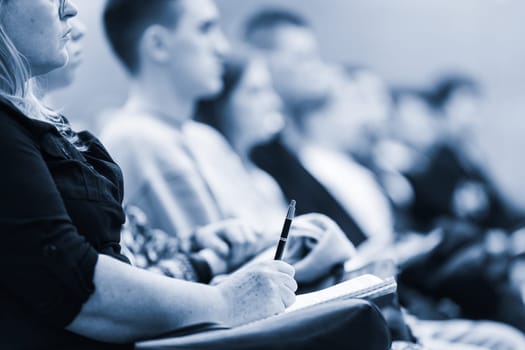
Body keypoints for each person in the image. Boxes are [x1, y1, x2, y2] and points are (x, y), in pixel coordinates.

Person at [0, 0, 298, 348]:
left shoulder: (40, 124)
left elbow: (127, 256)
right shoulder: (133, 137)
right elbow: (68, 279)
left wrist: (197, 249)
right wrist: (226, 302)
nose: (71, 12)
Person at [242, 6, 525, 348]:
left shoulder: (317, 160)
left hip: (382, 291)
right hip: (342, 303)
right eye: (303, 57)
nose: (314, 67)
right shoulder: (275, 159)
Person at [100, 0, 355, 285]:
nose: (221, 48)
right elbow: (221, 275)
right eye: (205, 29)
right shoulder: (137, 141)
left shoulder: (204, 138)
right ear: (159, 45)